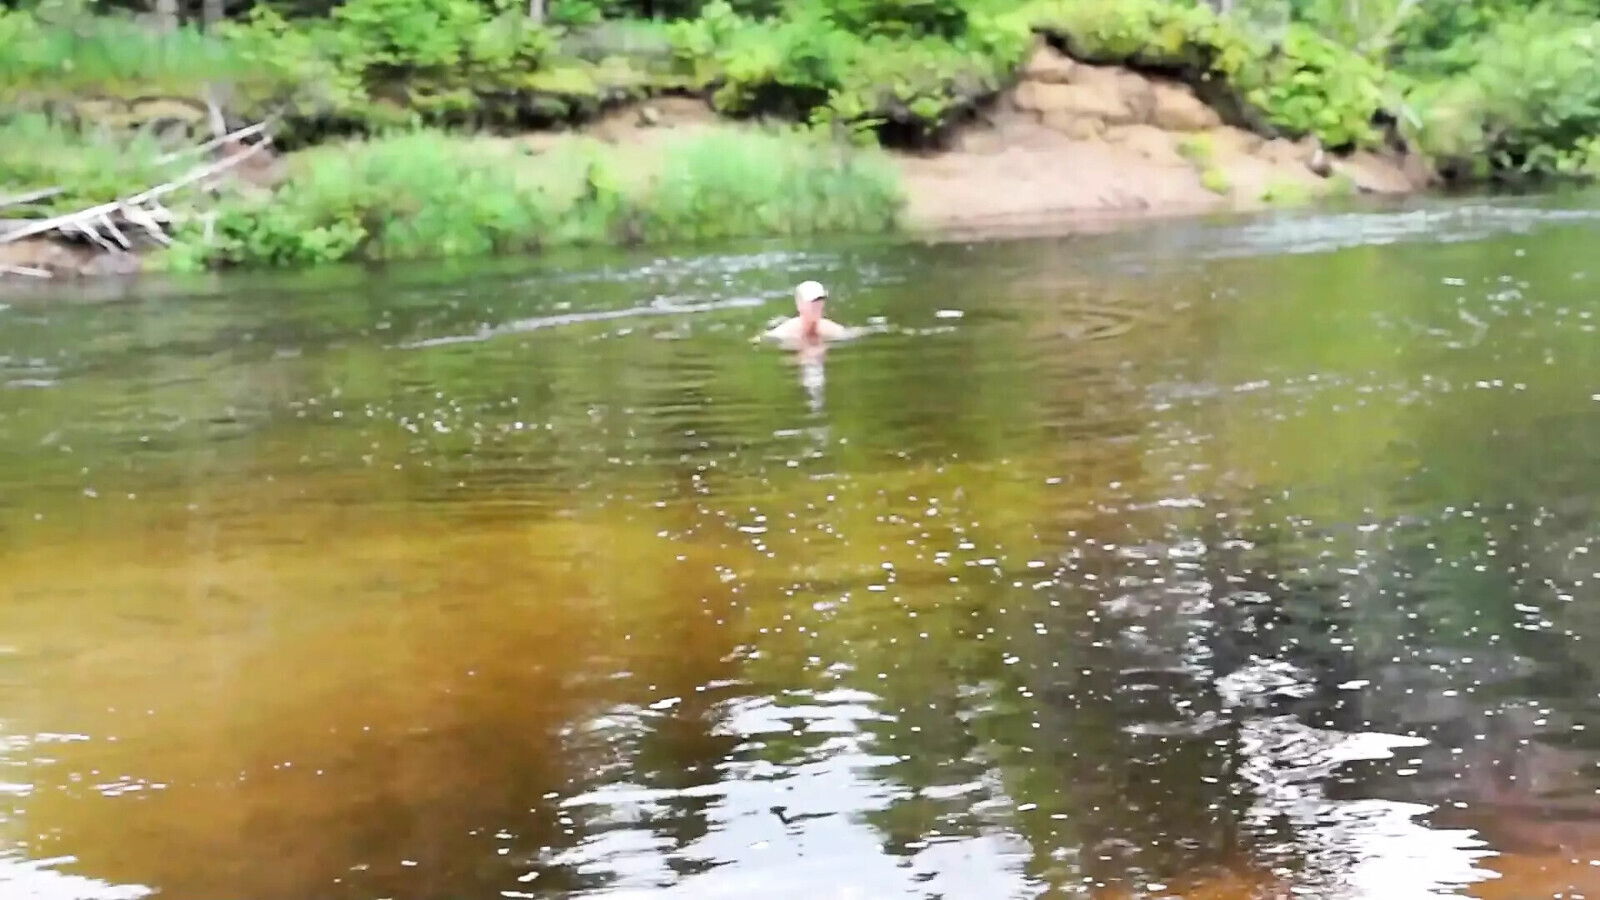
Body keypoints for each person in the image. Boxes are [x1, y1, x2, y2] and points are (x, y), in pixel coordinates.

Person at [762, 281, 851, 344]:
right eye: (811, 301)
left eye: (819, 300)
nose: (816, 305)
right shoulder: (784, 332)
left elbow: (853, 333)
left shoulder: (833, 330)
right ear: (799, 304)